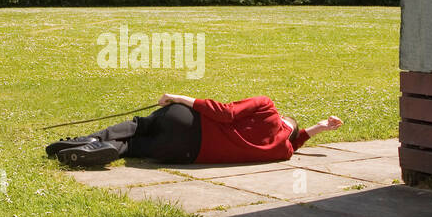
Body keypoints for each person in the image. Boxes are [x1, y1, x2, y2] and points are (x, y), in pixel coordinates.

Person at [46, 93, 343, 168]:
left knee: (139, 125)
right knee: (136, 147)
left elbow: (225, 113)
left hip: (188, 123)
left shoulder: (267, 107)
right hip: (184, 154)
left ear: (284, 120)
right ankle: (97, 152)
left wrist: (178, 97)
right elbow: (296, 141)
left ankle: (90, 140)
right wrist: (317, 129)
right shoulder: (282, 151)